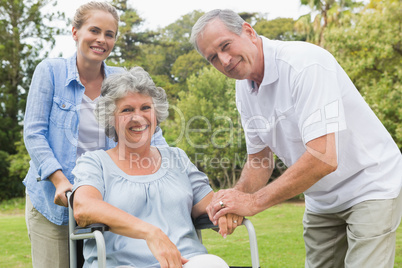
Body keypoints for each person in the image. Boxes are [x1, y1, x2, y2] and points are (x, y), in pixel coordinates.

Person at [190, 9, 402, 268]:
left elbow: (324, 158)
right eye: (212, 57)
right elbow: (260, 160)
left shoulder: (305, 63)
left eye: (225, 46)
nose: (224, 60)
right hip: (321, 199)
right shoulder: (243, 88)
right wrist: (232, 200)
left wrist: (254, 201)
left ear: (248, 32)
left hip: (369, 184)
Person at [23, 2, 167, 267]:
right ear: (75, 32)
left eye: (109, 34)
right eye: (94, 30)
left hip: (106, 201)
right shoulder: (50, 71)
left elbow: (147, 130)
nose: (102, 39)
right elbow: (34, 134)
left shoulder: (120, 78)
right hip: (54, 201)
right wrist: (59, 180)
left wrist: (174, 169)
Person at [71, 66, 241, 268]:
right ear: (111, 118)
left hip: (186, 262)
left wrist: (227, 208)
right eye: (127, 110)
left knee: (212, 263)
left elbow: (211, 204)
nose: (138, 117)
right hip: (122, 265)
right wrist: (150, 233)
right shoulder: (94, 162)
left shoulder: (177, 158)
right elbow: (84, 208)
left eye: (145, 108)